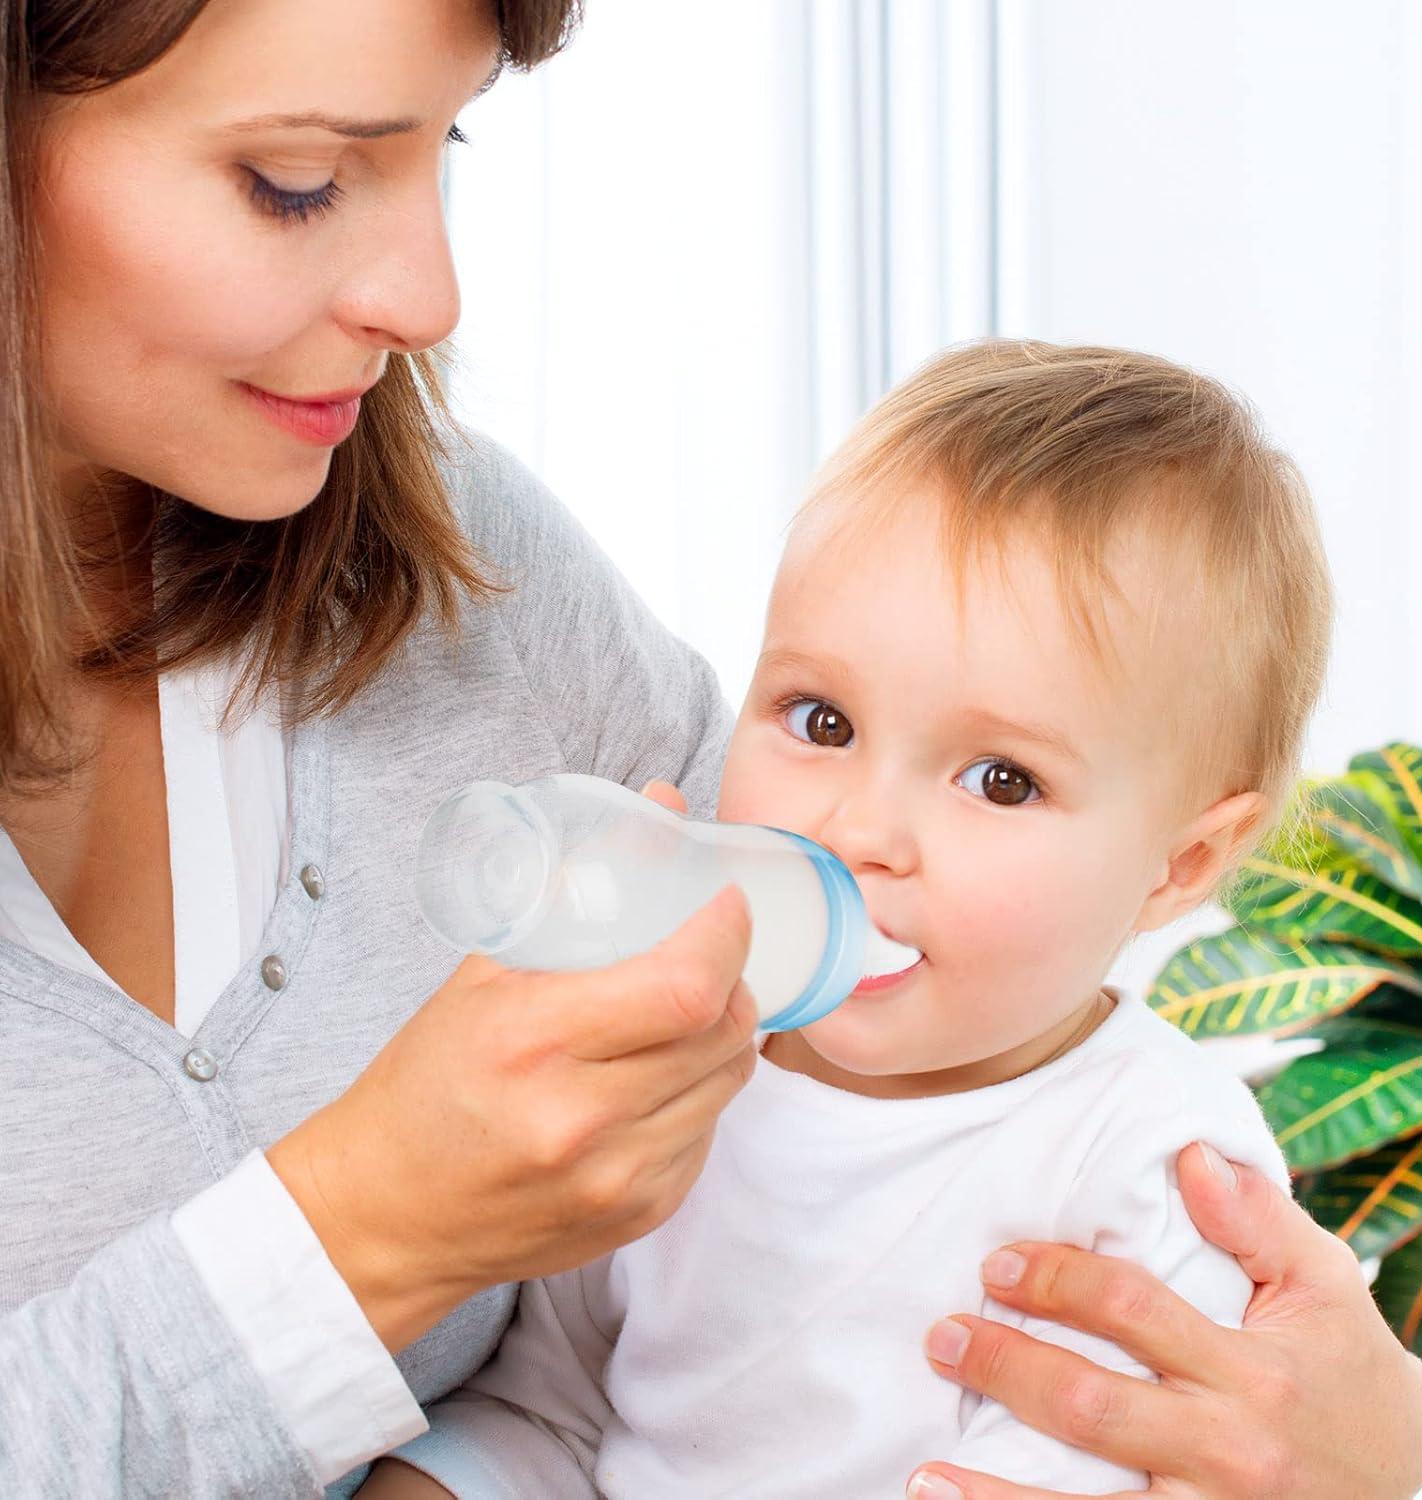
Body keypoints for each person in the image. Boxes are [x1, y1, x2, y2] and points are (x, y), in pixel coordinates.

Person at [0, 2, 1422, 1497]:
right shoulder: (736, 1090)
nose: (428, 298)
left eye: (450, 142)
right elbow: (552, 1405)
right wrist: (364, 1253)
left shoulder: (469, 580)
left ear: (1189, 860)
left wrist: (1367, 1437)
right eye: (294, 177)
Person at [361, 342, 1342, 1497]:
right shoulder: (682, 1069)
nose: (861, 826)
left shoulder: (1146, 1160)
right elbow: (556, 1407)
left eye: (1001, 780)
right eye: (821, 721)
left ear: (1179, 865)